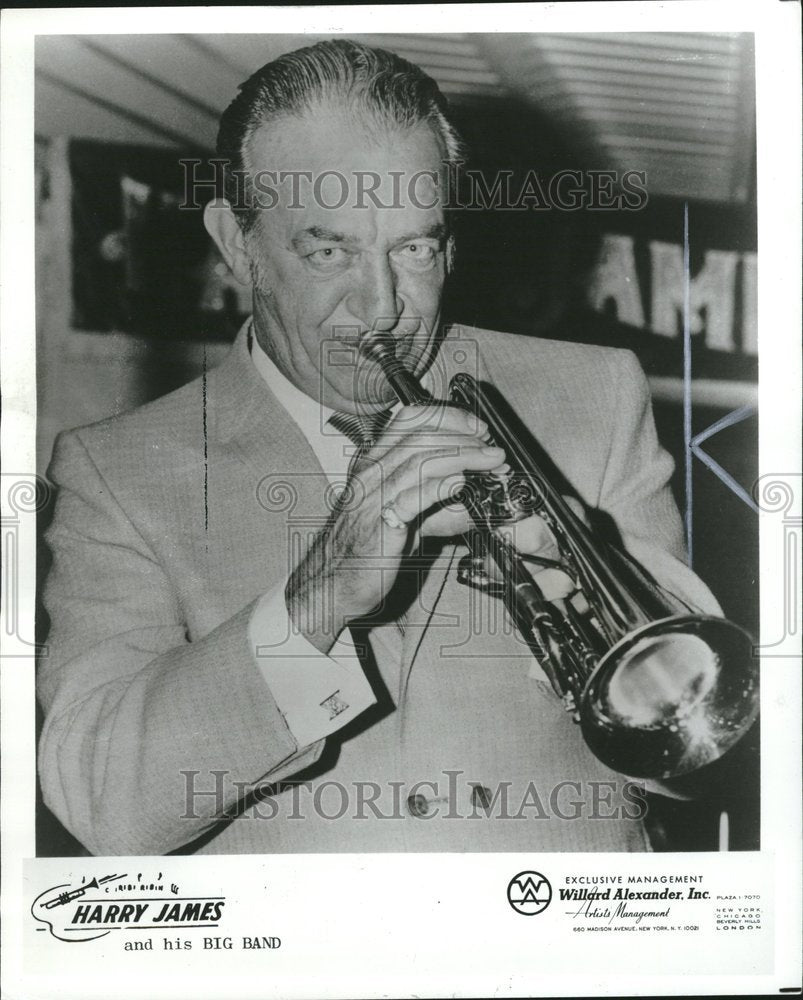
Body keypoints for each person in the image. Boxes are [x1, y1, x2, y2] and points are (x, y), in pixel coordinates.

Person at [37, 39, 720, 857]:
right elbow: (100, 800)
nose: (383, 307)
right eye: (329, 252)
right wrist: (314, 598)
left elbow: (693, 757)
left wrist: (578, 588)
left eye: (414, 248)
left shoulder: (595, 394)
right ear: (236, 241)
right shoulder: (117, 469)